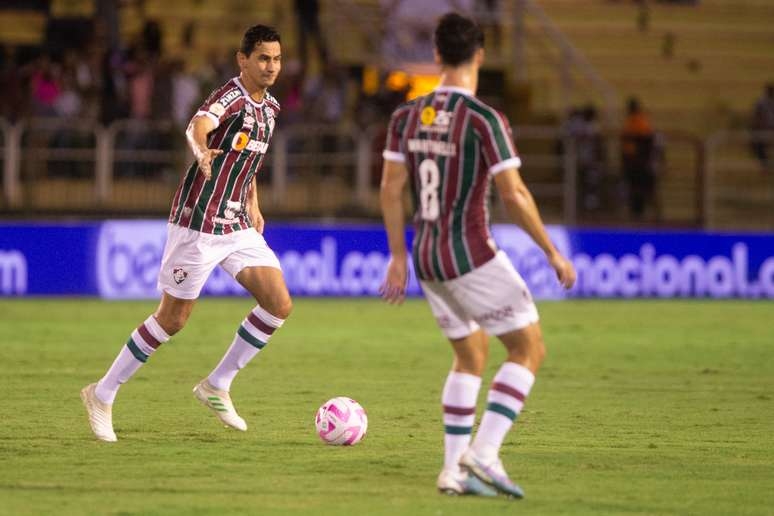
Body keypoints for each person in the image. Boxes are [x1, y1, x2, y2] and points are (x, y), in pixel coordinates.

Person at [379, 12, 576, 498]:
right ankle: (484, 453)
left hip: (426, 256)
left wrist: (398, 257)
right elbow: (513, 194)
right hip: (470, 253)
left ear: (437, 56)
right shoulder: (486, 120)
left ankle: (453, 472)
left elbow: (390, 188)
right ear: (480, 56)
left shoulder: (406, 116)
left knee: (471, 355)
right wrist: (552, 250)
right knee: (528, 348)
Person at [81, 25, 292, 442]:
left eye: (277, 59)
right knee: (173, 319)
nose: (272, 66)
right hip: (198, 221)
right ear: (243, 60)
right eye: (263, 58)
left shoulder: (271, 108)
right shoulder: (228, 97)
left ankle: (217, 384)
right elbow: (198, 126)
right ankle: (102, 393)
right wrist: (201, 151)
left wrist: (253, 200)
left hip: (236, 222)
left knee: (278, 303)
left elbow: (249, 160)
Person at [620, 97, 657, 219]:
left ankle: (640, 212)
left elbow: (647, 140)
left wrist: (642, 158)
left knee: (640, 188)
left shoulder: (640, 121)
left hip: (638, 161)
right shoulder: (631, 120)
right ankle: (635, 211)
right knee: (633, 188)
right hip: (632, 160)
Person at [750, 83, 774, 172]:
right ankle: (765, 164)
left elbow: (756, 115)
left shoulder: (761, 102)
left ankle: (765, 164)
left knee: (758, 145)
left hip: (767, 127)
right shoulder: (761, 102)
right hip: (764, 128)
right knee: (758, 145)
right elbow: (756, 115)